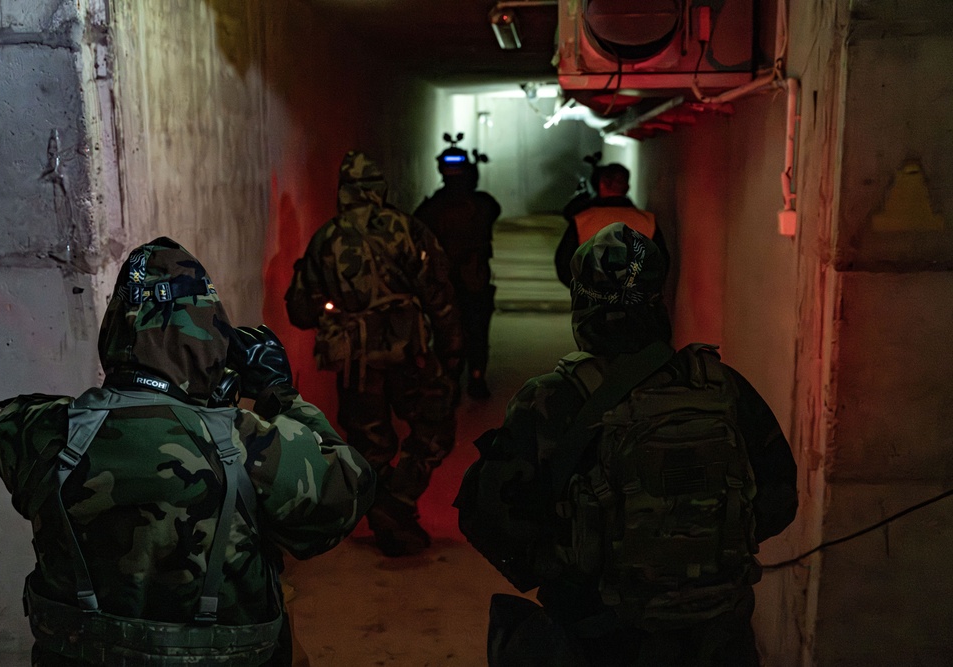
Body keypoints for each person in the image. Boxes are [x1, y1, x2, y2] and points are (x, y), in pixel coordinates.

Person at [0, 237, 375, 666]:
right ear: (209, 335)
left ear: (114, 327)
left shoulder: (38, 433)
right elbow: (350, 486)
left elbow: (7, 420)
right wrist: (279, 393)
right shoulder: (248, 445)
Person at [456, 223, 798, 666]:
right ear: (659, 298)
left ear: (580, 301)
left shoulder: (549, 400)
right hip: (718, 636)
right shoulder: (721, 386)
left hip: (600, 638)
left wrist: (578, 561)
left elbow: (491, 520)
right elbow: (779, 499)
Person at [286, 150, 463, 557]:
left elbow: (299, 309)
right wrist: (452, 346)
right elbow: (439, 293)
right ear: (380, 188)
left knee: (370, 444)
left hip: (357, 362)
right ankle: (398, 504)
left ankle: (386, 509)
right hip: (410, 353)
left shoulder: (326, 238)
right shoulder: (407, 230)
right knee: (434, 427)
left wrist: (336, 306)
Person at [414, 135, 502, 400]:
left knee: (447, 333)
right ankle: (476, 377)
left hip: (443, 283)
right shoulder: (484, 204)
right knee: (477, 332)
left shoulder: (429, 209)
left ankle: (450, 380)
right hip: (475, 280)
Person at [555, 162, 669, 287]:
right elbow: (661, 263)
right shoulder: (647, 220)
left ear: (601, 184)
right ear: (626, 186)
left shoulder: (582, 220)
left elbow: (563, 262)